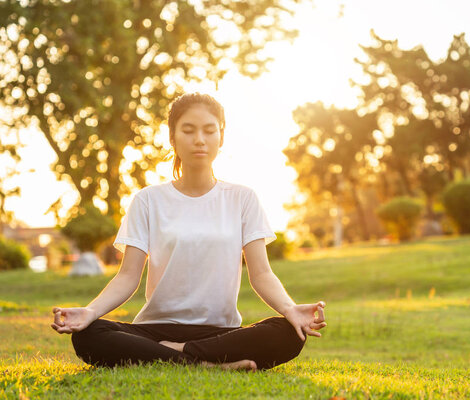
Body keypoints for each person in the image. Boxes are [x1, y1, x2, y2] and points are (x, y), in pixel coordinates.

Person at [51, 93, 327, 372]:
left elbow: (262, 274)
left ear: (221, 137)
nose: (199, 139)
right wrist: (90, 312)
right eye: (188, 130)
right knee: (88, 335)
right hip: (155, 330)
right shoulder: (148, 200)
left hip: (221, 332)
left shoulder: (243, 199)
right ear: (172, 137)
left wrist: (290, 309)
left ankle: (174, 355)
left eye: (209, 130)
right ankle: (209, 364)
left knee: (289, 332)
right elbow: (127, 276)